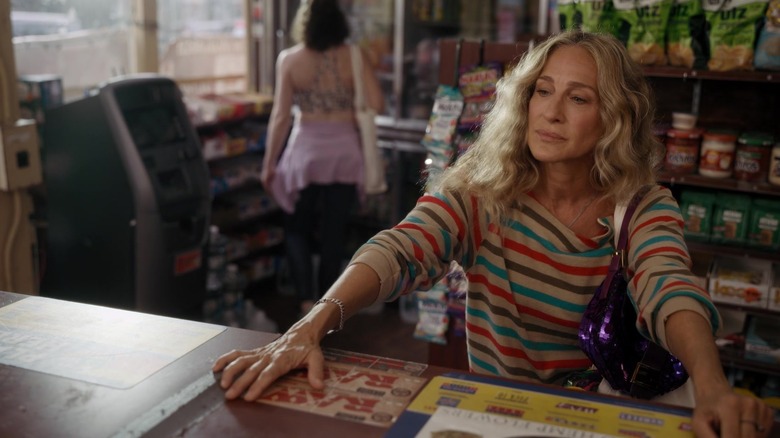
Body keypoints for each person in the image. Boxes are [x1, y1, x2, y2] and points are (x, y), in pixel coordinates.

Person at [216, 30, 774, 437]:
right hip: (495, 416)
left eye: (578, 98)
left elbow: (668, 287)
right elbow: (403, 246)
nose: (550, 112)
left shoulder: (642, 208)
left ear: (615, 119)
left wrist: (712, 387)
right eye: (542, 91)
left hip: (596, 418)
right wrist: (308, 327)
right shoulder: (485, 190)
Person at [260, 0, 384, 315]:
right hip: (345, 154)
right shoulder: (355, 56)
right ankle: (326, 309)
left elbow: (281, 117)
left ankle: (304, 299)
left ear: (304, 23)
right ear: (339, 22)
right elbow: (376, 103)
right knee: (334, 233)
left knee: (297, 228)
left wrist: (269, 163)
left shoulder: (289, 60)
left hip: (305, 155)